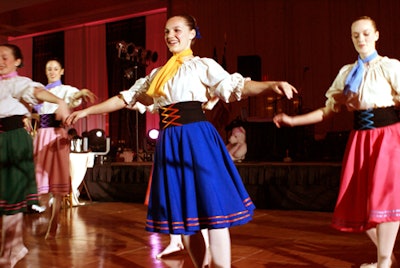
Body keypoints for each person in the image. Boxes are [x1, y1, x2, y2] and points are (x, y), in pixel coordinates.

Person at [66, 14, 297, 267]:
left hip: (197, 139)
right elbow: (125, 98)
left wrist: (270, 85)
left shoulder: (202, 66)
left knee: (212, 210)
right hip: (170, 143)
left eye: (177, 30)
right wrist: (87, 112)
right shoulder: (157, 75)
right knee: (184, 217)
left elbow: (235, 86)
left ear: (191, 34)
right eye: (166, 31)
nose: (170, 36)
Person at [273, 16, 400, 268]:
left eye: (365, 33)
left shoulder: (390, 67)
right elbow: (327, 111)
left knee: (386, 199)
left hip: (387, 138)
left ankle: (384, 261)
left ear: (376, 35)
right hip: (361, 141)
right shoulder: (347, 73)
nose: (361, 39)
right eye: (355, 35)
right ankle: (388, 257)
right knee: (358, 202)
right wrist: (292, 121)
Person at [0, 44, 70, 267]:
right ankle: (17, 246)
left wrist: (59, 102)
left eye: (5, 57)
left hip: (13, 139)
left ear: (18, 61)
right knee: (6, 198)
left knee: (12, 197)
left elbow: (37, 92)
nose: (0, 61)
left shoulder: (20, 83)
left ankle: (6, 253)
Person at [34, 58, 96, 239]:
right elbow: (38, 113)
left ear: (61, 71)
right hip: (41, 136)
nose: (52, 72)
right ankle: (46, 211)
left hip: (57, 134)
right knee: (40, 177)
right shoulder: (41, 91)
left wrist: (80, 94)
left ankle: (54, 221)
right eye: (48, 69)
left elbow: (73, 99)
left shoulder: (66, 90)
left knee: (58, 176)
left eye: (55, 69)